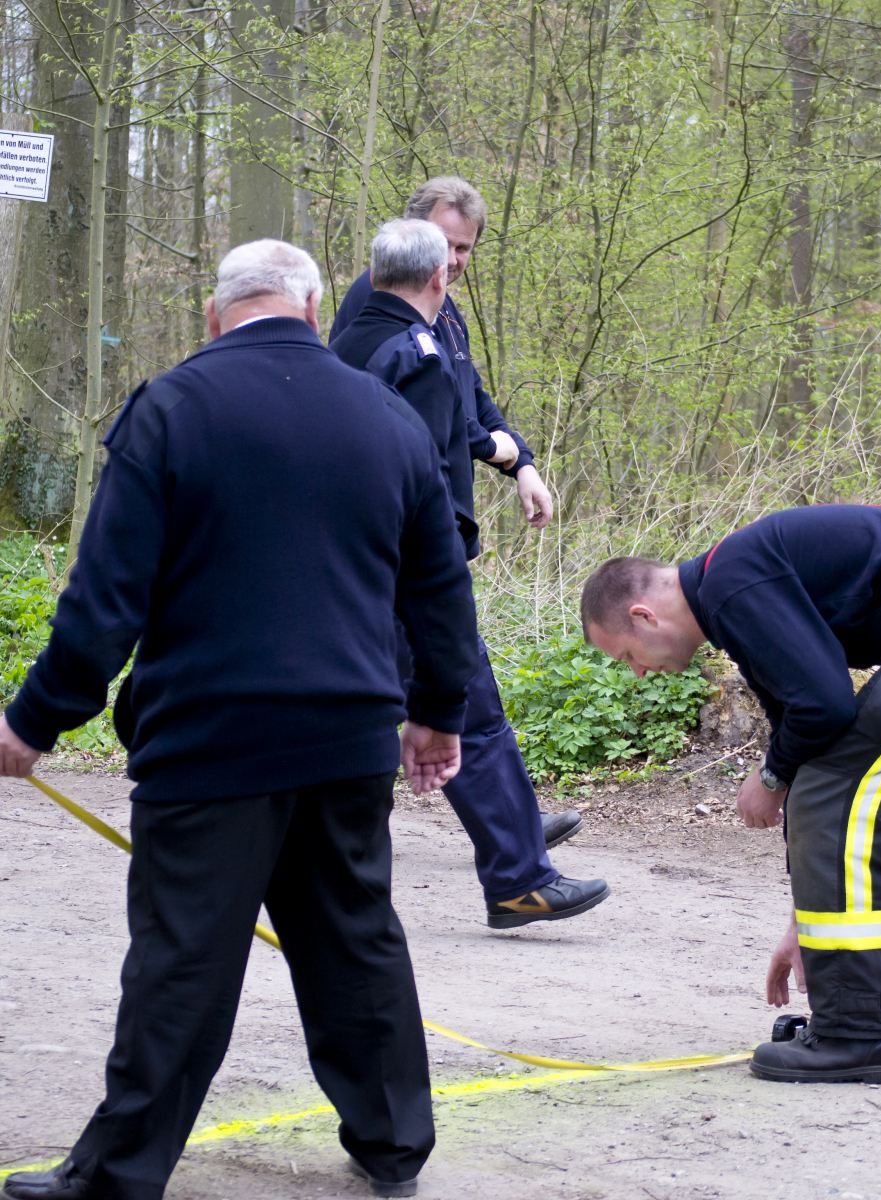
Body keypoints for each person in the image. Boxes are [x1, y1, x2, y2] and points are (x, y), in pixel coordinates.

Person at [0, 239, 477, 1199]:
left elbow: (106, 596)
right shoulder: (387, 417)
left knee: (183, 961)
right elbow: (439, 588)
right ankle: (394, 1147)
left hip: (211, 741)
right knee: (354, 942)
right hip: (349, 737)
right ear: (315, 308)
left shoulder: (172, 409)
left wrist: (39, 717)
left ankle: (119, 1175)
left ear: (213, 316)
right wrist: (437, 711)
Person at [579, 505, 881, 1084]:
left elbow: (825, 710)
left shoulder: (731, 584)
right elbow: (805, 735)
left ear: (643, 615)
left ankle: (858, 1033)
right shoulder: (733, 592)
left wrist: (770, 777)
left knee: (838, 794)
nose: (636, 672)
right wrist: (803, 921)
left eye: (626, 655)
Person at [332, 212, 611, 930]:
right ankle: (520, 879)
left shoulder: (351, 341)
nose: (457, 262)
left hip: (350, 568)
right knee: (467, 710)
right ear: (434, 274)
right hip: (406, 573)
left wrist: (514, 457)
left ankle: (505, 848)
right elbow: (422, 481)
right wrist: (444, 573)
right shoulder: (416, 353)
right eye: (449, 252)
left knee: (372, 715)